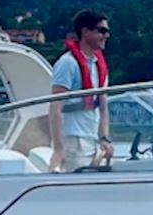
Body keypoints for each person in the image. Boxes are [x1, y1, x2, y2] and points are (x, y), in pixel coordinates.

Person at [48, 10, 113, 172]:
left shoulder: (100, 66)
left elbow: (103, 107)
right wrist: (58, 148)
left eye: (107, 31)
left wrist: (105, 138)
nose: (107, 36)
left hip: (93, 142)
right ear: (85, 32)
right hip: (72, 141)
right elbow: (55, 107)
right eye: (102, 31)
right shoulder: (67, 64)